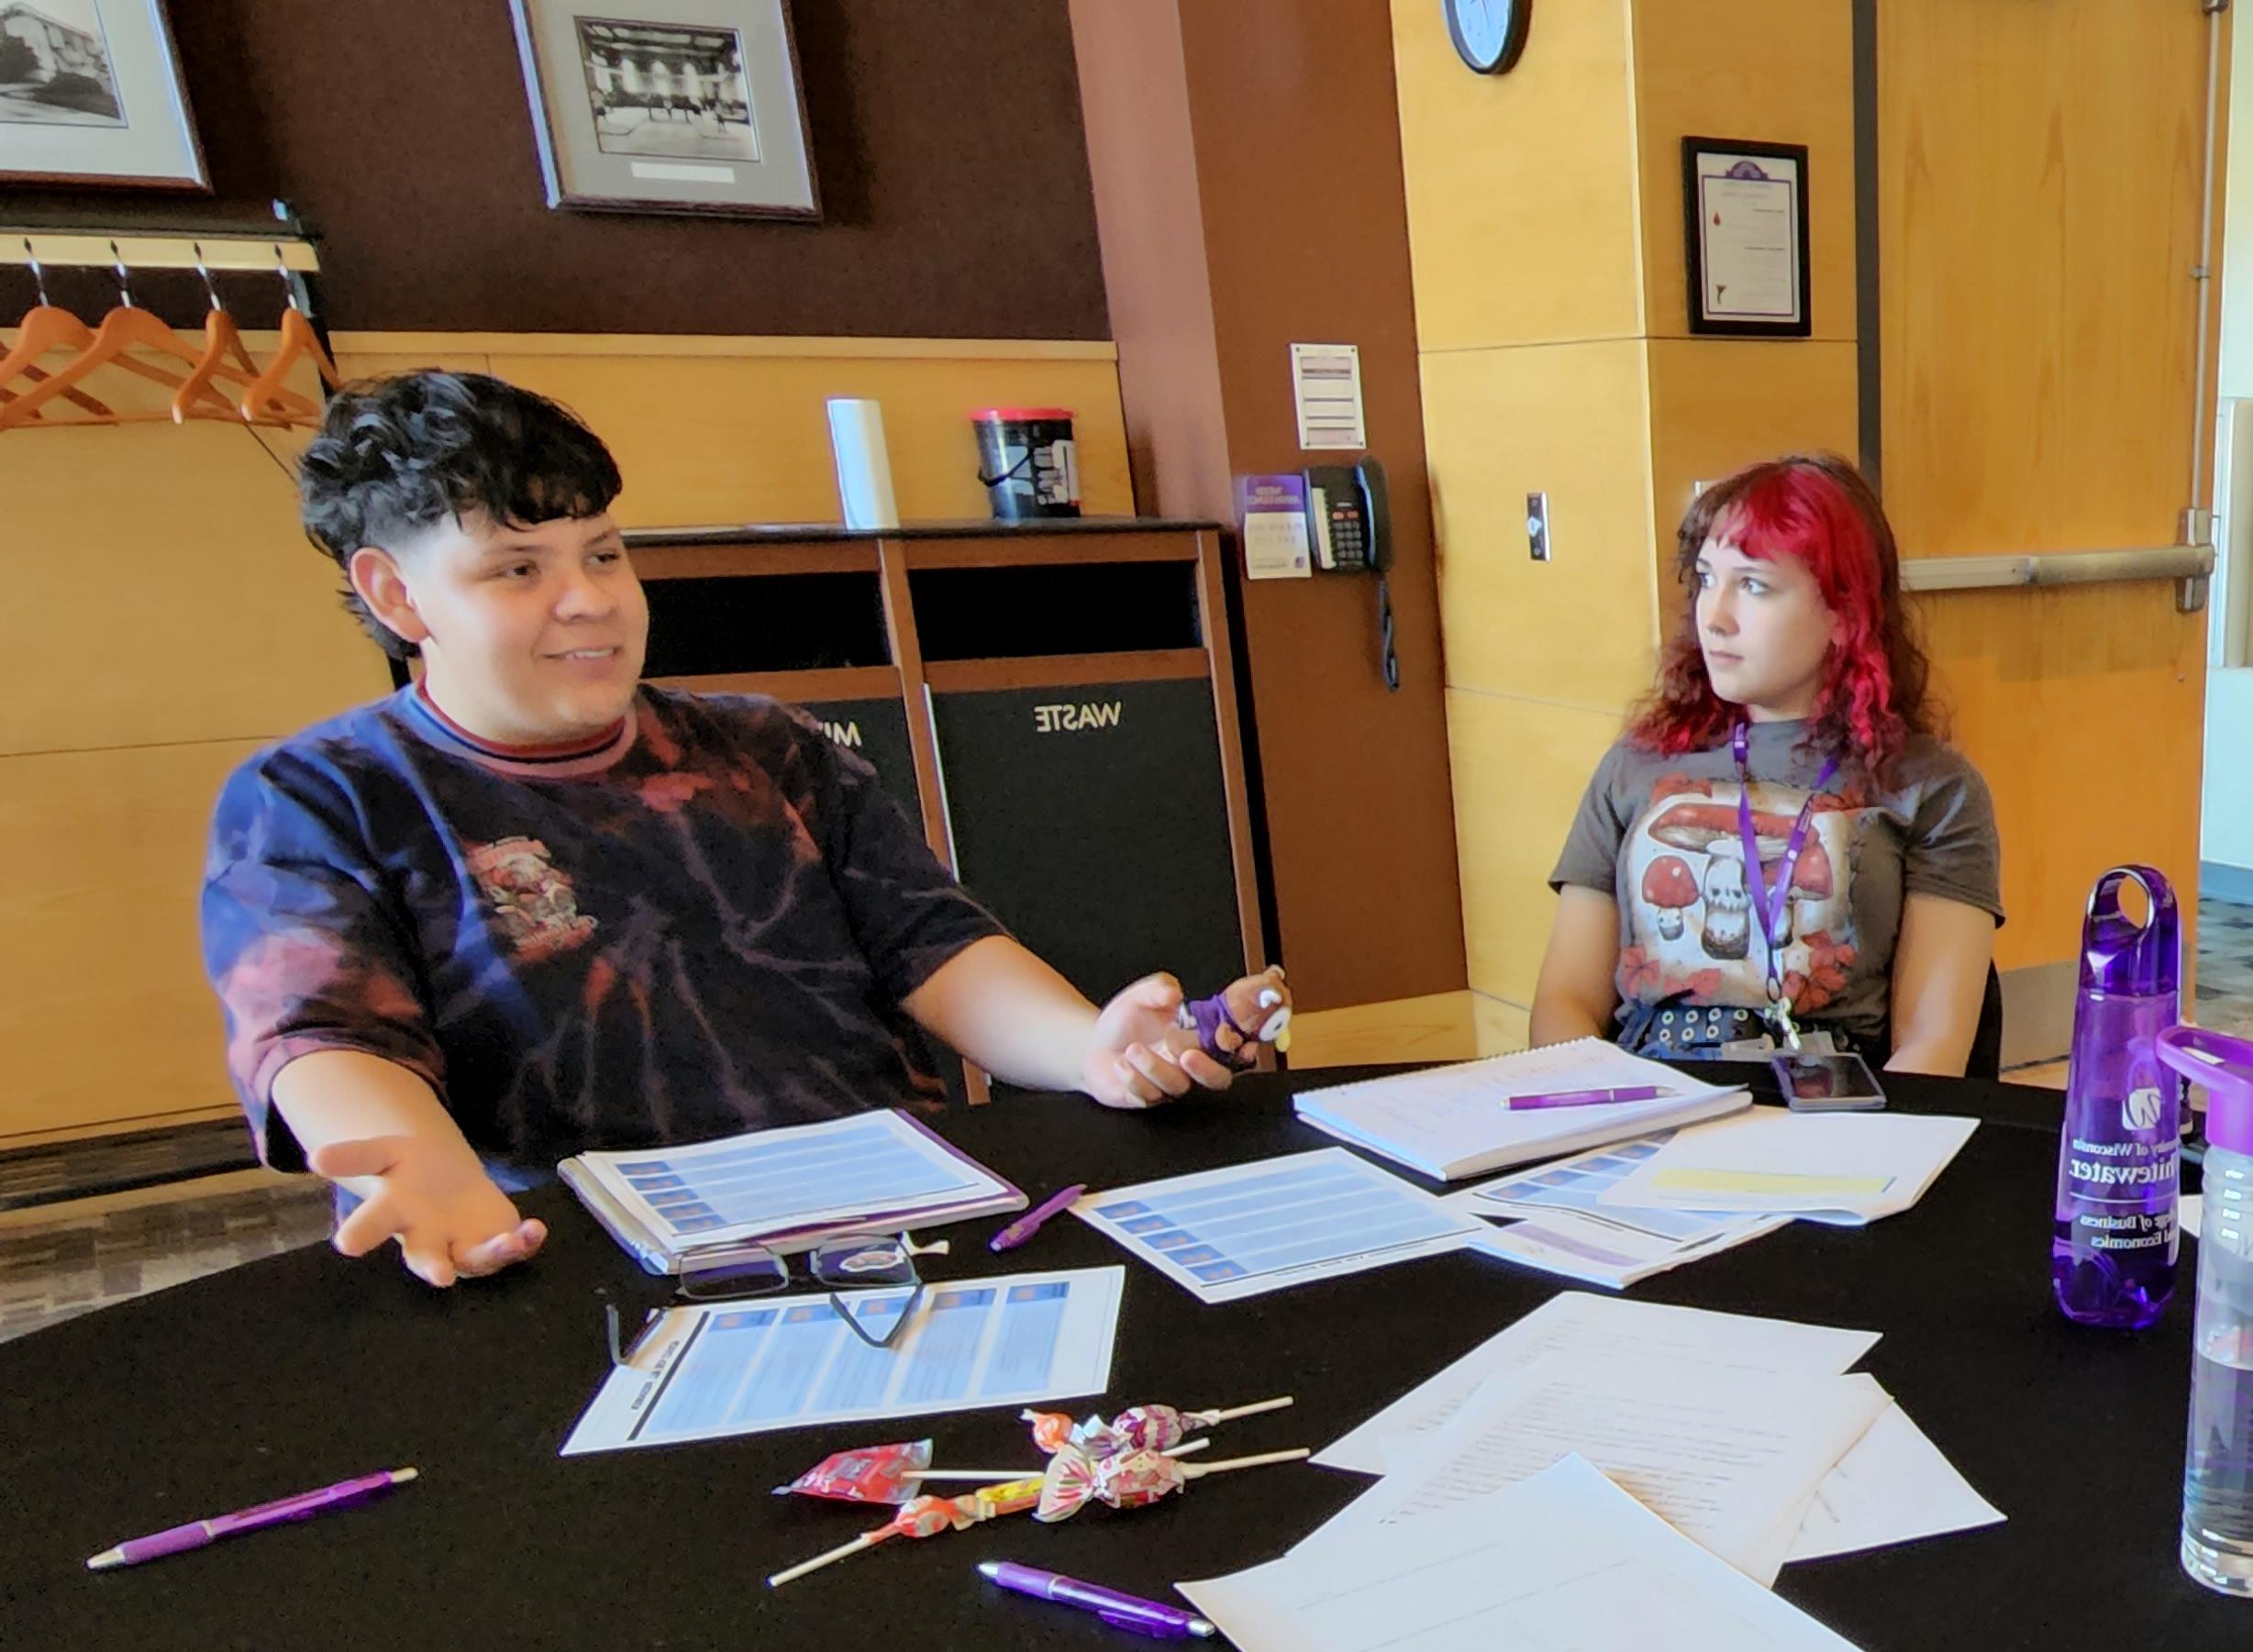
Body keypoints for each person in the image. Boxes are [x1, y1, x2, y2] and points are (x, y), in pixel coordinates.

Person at [200, 370, 1285, 1289]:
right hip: (580, 1256)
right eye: (518, 570)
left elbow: (932, 944)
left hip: (892, 1225)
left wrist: (1084, 1048)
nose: (588, 601)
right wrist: (416, 1160)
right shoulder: (317, 794)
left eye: (605, 554)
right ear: (396, 596)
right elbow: (321, 1033)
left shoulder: (765, 747)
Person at [1534, 453, 1997, 1073]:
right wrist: (1603, 1111)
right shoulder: (1636, 763)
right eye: (1705, 578)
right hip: (1649, 1098)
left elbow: (1932, 1045)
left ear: (1844, 614)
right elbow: (1564, 1002)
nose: (1714, 616)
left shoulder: (1932, 785)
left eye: (1753, 585)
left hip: (1835, 1112)